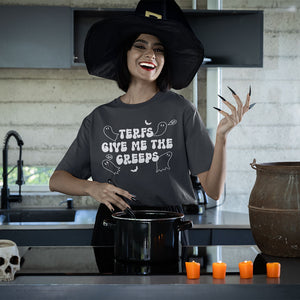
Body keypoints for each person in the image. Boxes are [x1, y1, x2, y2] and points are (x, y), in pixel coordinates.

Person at [49, 0, 252, 246]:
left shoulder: (181, 110)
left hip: (167, 229)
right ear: (125, 53)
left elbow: (213, 190)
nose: (150, 55)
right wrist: (92, 188)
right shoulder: (99, 118)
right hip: (112, 229)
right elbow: (57, 179)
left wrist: (222, 138)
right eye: (140, 46)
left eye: (159, 49)